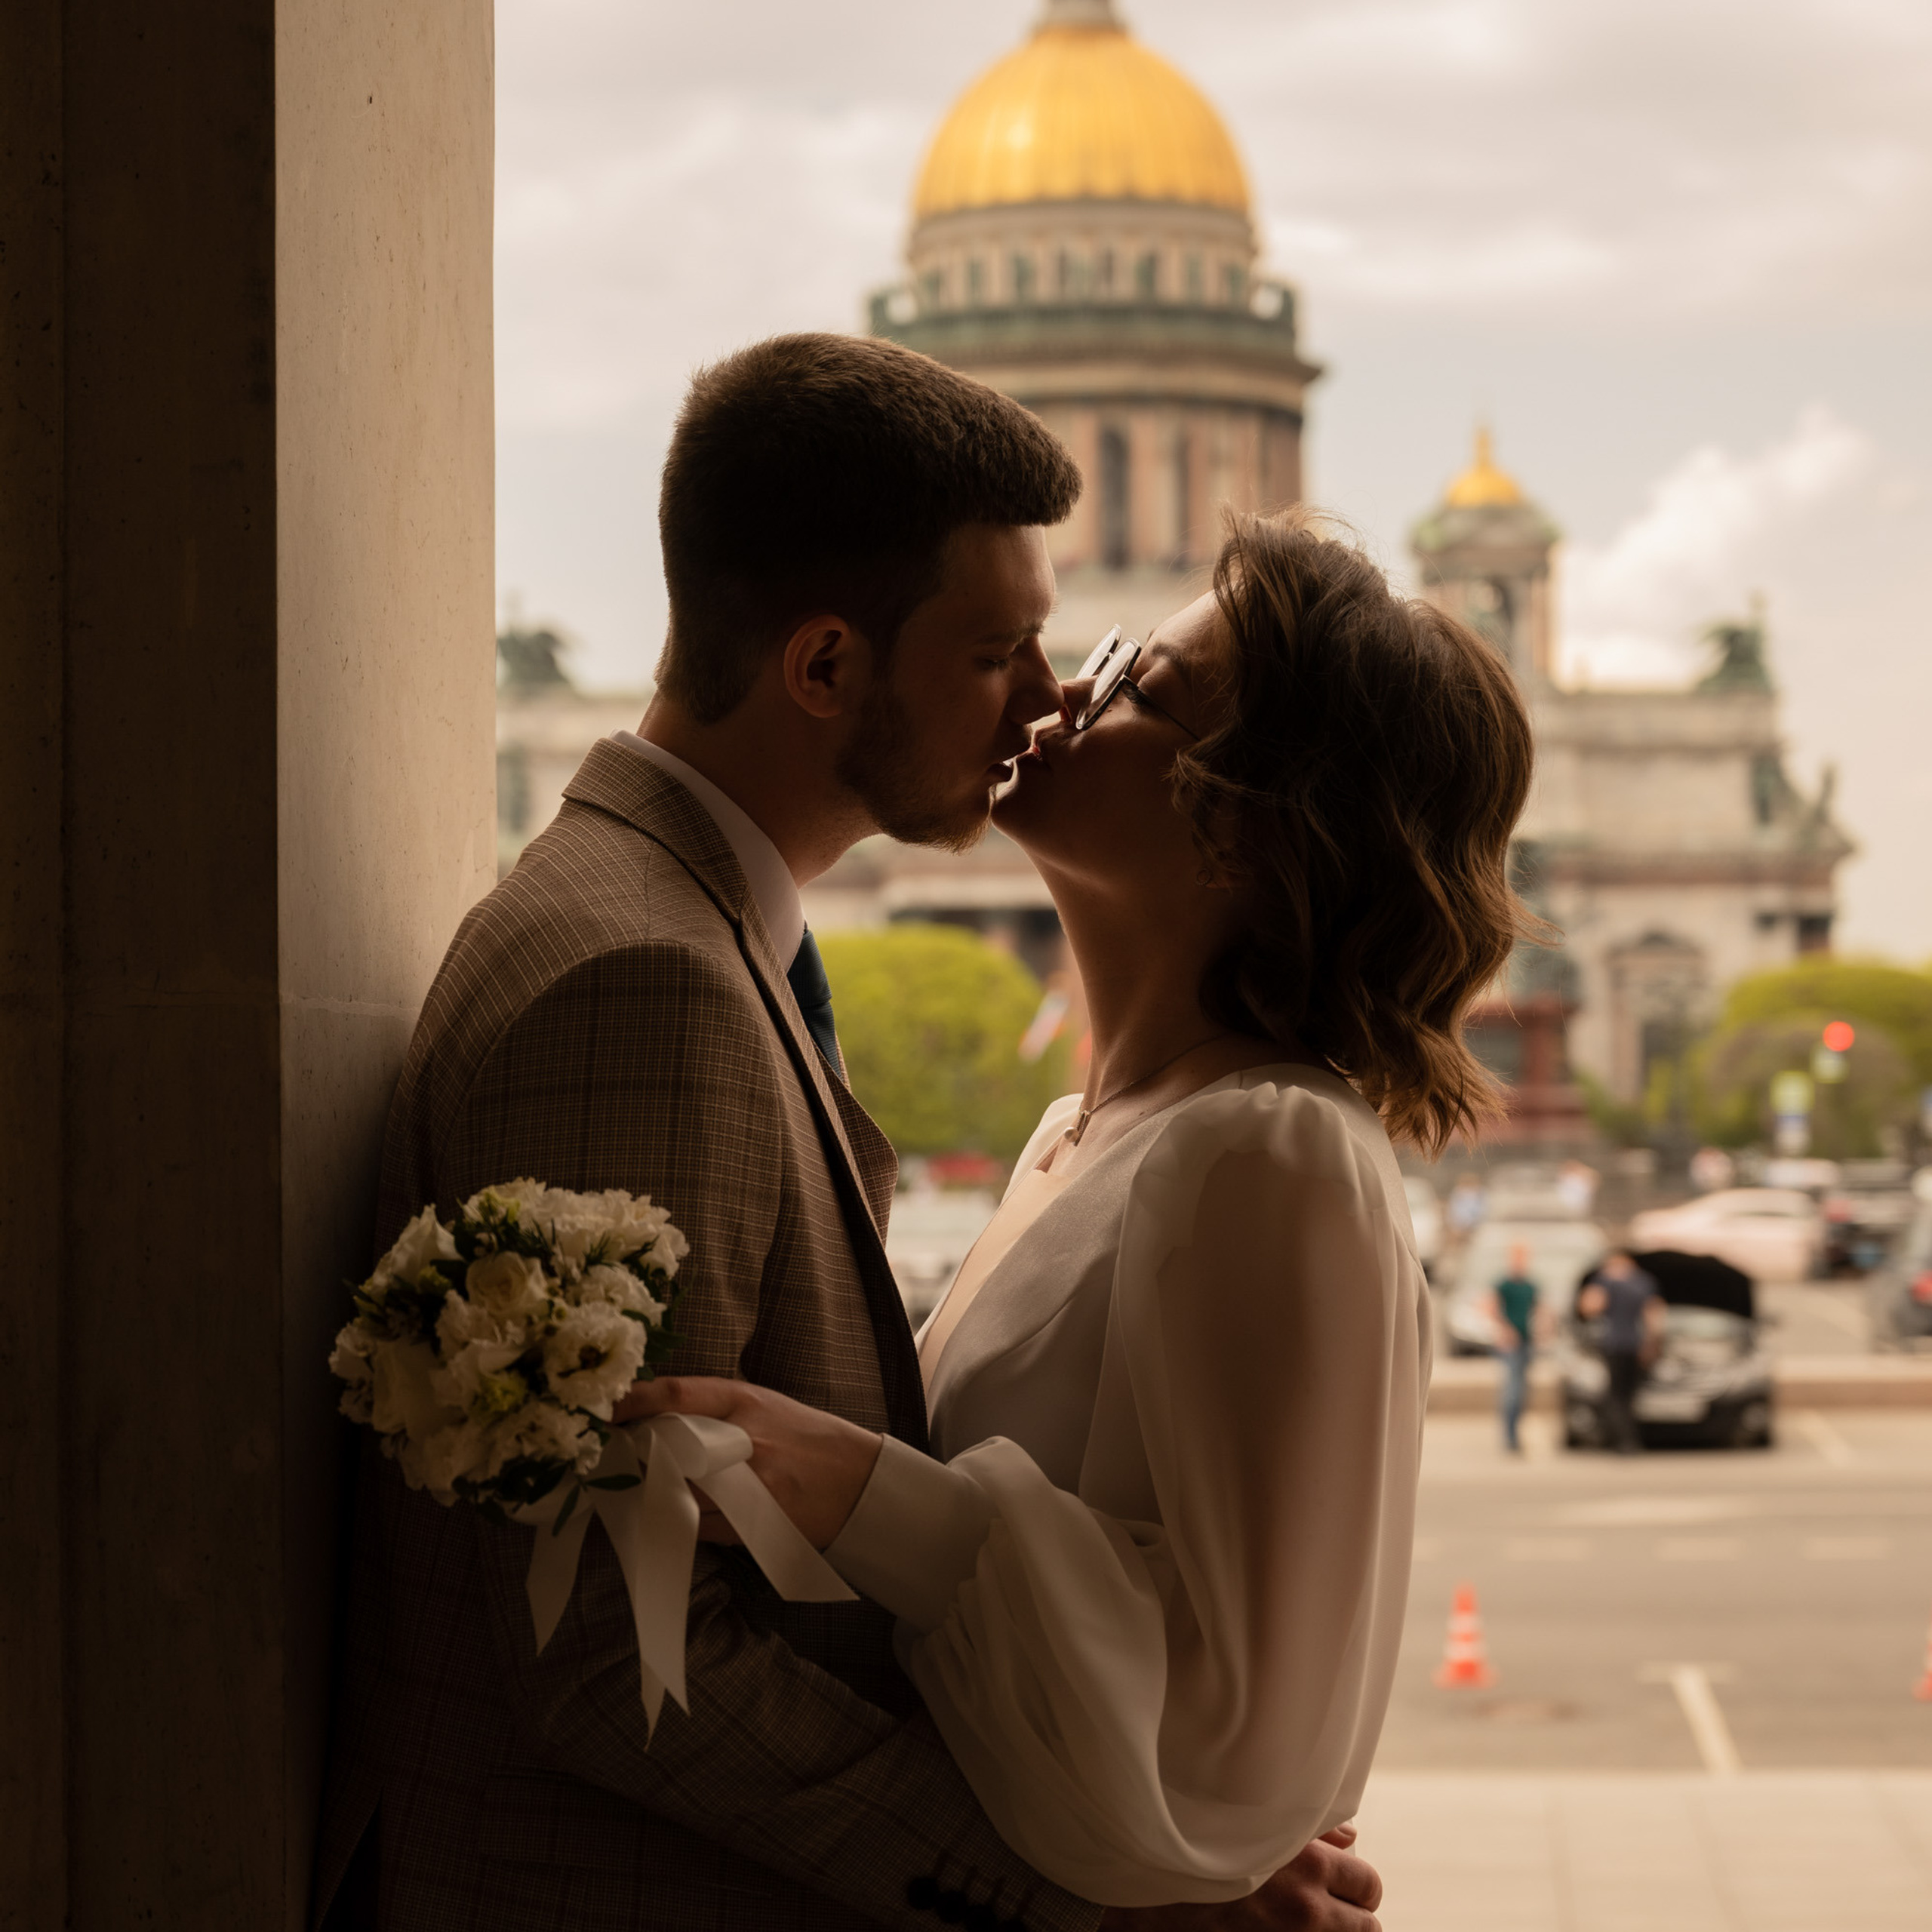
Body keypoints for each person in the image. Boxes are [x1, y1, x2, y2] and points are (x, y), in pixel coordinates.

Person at [313, 335, 1385, 1932]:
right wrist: (1089, 1901)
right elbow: (619, 1657)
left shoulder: (679, 933)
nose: (1048, 700)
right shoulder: (642, 980)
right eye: (999, 651)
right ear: (824, 665)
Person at [632, 509, 1537, 1907]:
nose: (1061, 696)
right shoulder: (1084, 1136)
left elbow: (1233, 1751)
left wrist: (862, 1491)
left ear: (1251, 824)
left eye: (1140, 691)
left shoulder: (1273, 1154)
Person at [1577, 1250, 1666, 1454]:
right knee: (1629, 1395)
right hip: (1636, 1344)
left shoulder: (1606, 1281)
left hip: (1614, 1344)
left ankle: (1623, 1441)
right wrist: (1652, 1344)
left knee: (1615, 1396)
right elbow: (1654, 1314)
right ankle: (1631, 1439)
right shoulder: (1644, 1282)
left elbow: (1589, 1307)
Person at [1485, 1243, 1543, 1454]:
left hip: (1526, 1341)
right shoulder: (1504, 1284)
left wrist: (1542, 1330)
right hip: (1510, 1344)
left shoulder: (1530, 1285)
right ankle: (1509, 1435)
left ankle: (1516, 1432)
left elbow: (1539, 1309)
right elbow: (1490, 1308)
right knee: (1512, 1389)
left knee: (1523, 1390)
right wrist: (1505, 1330)